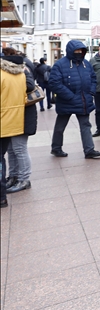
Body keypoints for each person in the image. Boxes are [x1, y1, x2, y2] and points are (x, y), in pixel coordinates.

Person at [49, 40, 100, 159]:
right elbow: (54, 83)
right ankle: (56, 148)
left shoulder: (86, 64)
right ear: (70, 51)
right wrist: (70, 96)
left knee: (85, 125)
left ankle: (89, 150)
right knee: (60, 126)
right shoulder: (60, 64)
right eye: (76, 50)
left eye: (81, 50)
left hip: (84, 101)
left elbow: (93, 78)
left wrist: (91, 91)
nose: (79, 53)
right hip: (66, 101)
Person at [3, 49, 37, 194]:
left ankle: (24, 179)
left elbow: (30, 86)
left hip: (24, 115)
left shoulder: (23, 70)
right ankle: (13, 176)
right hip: (11, 115)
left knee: (19, 148)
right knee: (11, 149)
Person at [0, 48, 29, 207]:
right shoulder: (20, 74)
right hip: (13, 122)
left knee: (13, 153)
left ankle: (3, 194)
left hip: (3, 121)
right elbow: (24, 97)